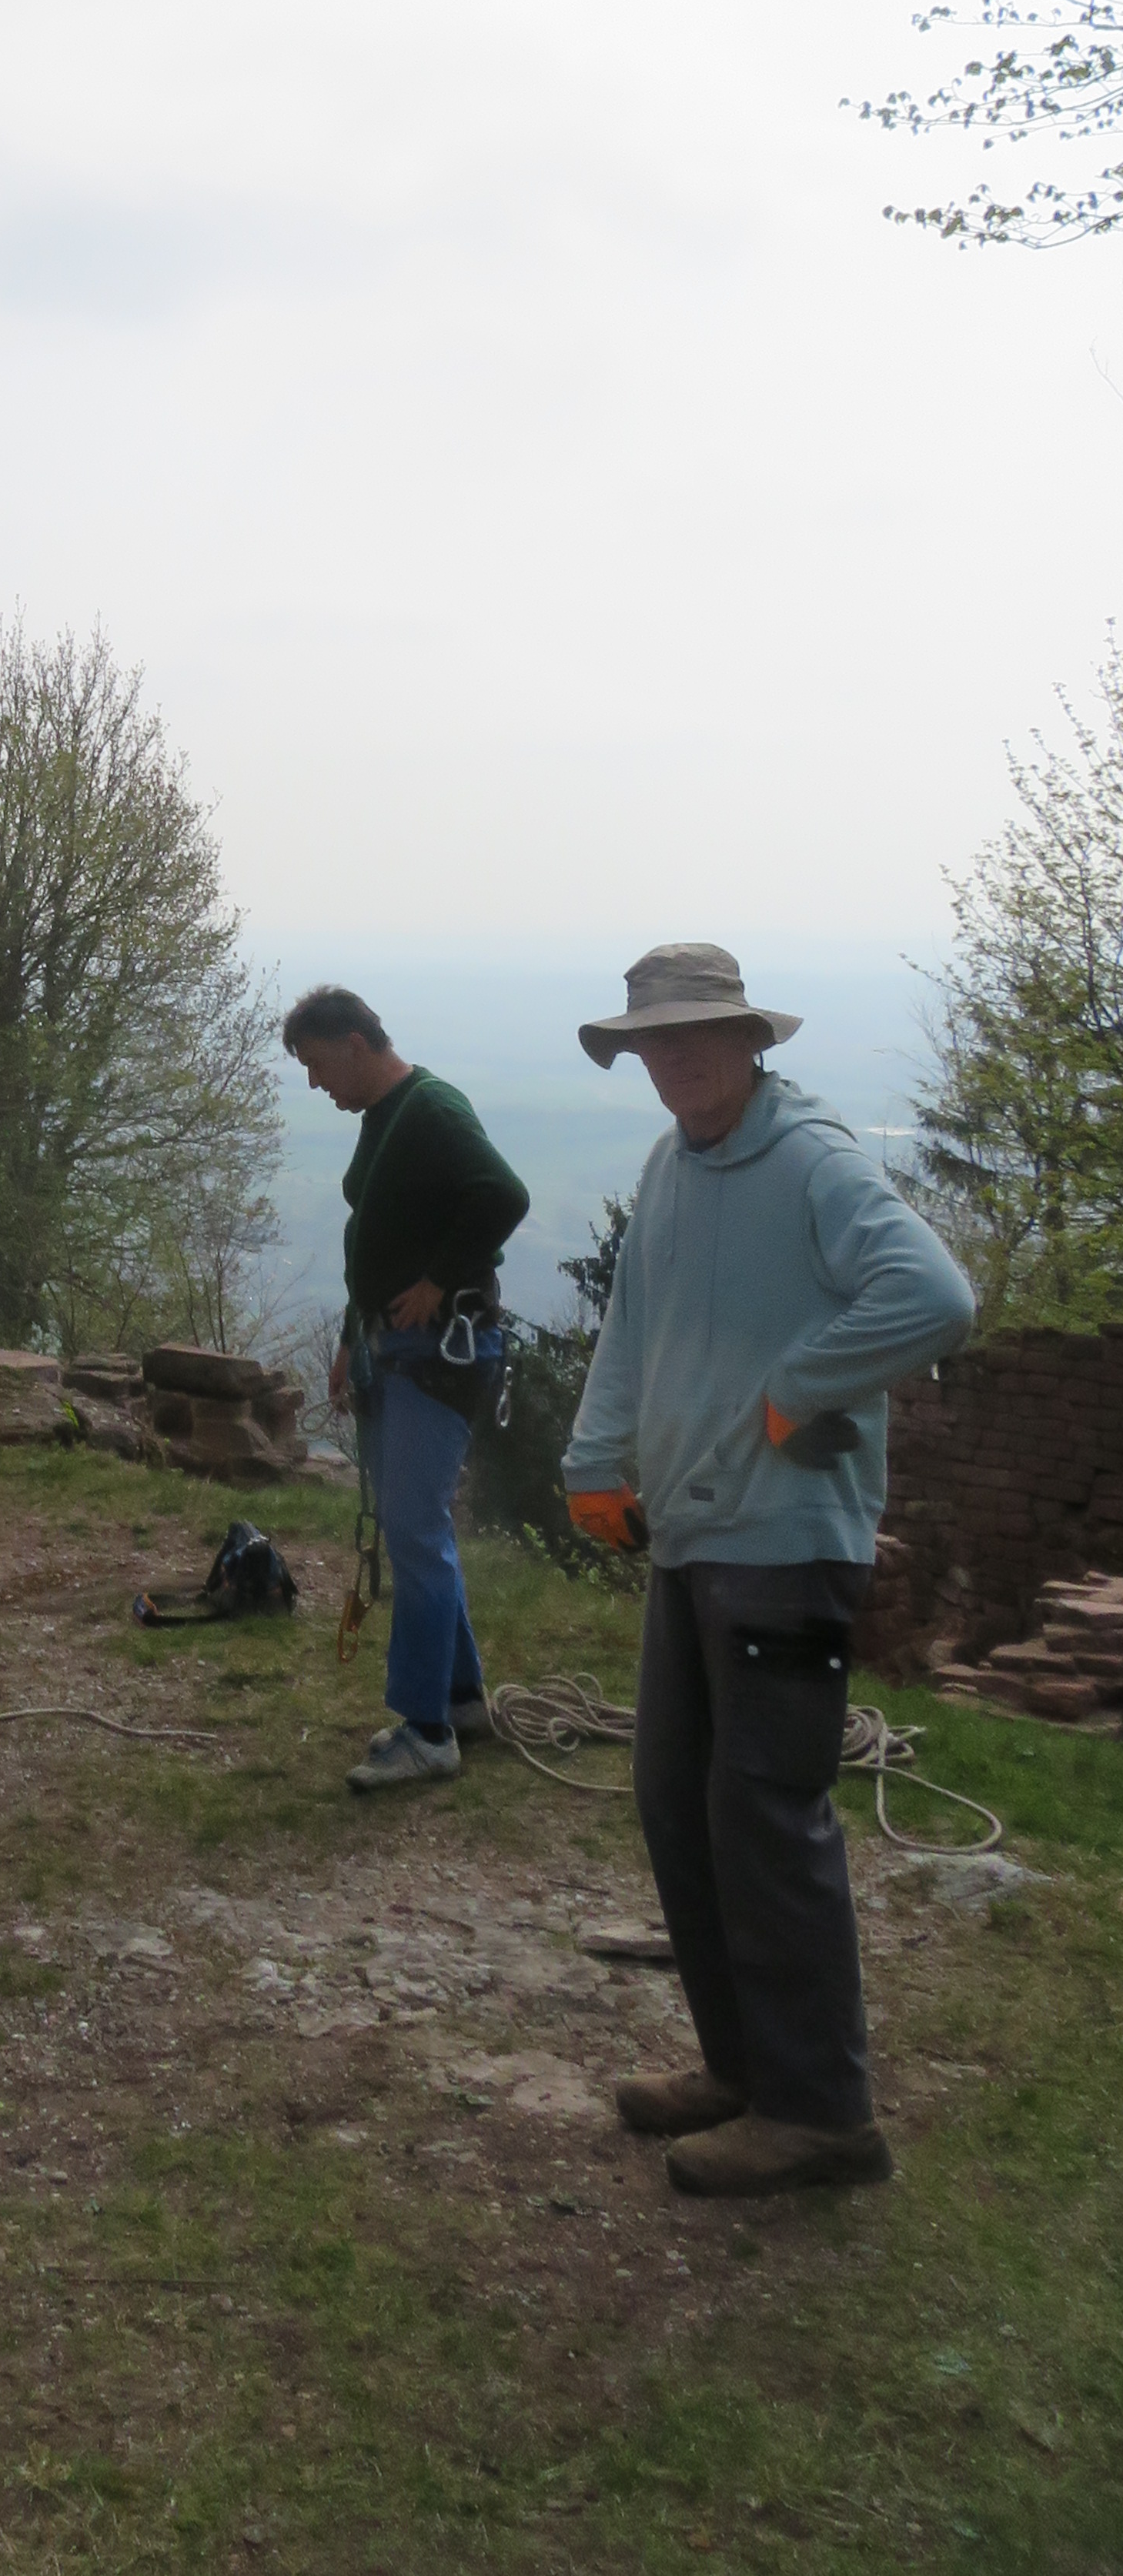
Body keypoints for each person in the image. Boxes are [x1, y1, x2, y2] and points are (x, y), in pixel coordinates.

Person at [563, 941, 974, 2199]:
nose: (674, 1056)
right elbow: (633, 1322)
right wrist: (593, 1455)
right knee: (677, 1801)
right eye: (653, 1039)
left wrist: (799, 1388)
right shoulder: (673, 1162)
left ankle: (819, 2114)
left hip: (788, 1547)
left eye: (697, 1032)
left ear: (749, 1038)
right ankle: (744, 2070)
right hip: (694, 1537)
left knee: (765, 1816)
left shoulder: (811, 1159)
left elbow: (934, 1294)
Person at [283, 985, 530, 1793]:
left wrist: (438, 1281)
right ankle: (458, 1701)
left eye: (318, 1064)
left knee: (417, 1533)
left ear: (355, 1044)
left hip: (438, 1352)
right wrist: (352, 1339)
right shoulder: (388, 1115)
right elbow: (379, 1234)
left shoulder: (431, 1109)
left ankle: (427, 1732)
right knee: (415, 1528)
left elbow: (504, 1195)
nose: (317, 1083)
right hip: (394, 1349)